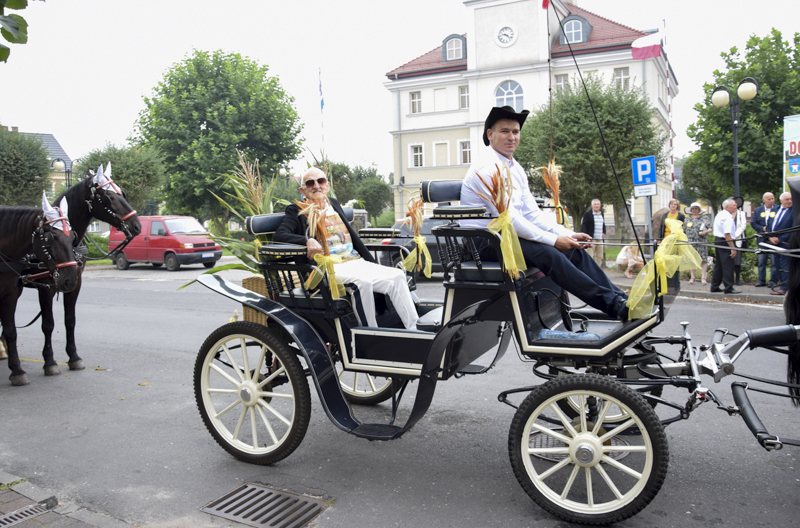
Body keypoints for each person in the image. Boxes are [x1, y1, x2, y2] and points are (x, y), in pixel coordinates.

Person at [460, 106, 629, 321]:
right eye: (505, 131)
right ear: (490, 135)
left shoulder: (514, 167)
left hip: (506, 237)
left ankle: (619, 297)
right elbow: (511, 220)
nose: (512, 137)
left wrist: (565, 234)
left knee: (573, 252)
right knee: (550, 253)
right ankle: (614, 306)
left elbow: (532, 213)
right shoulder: (487, 168)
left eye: (516, 131)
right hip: (485, 243)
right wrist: (555, 241)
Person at [275, 167, 419, 329]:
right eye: (310, 183)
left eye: (320, 181)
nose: (316, 186)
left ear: (327, 185)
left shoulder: (333, 204)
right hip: (327, 269)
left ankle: (414, 330)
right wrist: (307, 240)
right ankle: (372, 335)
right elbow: (280, 235)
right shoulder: (297, 210)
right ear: (303, 189)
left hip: (355, 261)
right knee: (362, 283)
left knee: (398, 275)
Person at [709, 198, 740, 294]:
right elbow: (727, 234)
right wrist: (733, 248)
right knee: (728, 265)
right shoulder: (727, 217)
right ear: (727, 207)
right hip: (725, 241)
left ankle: (715, 286)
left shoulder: (720, 214)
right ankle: (729, 287)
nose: (736, 207)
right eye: (733, 205)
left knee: (719, 265)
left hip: (718, 240)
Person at [767, 191, 793, 296]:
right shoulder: (775, 209)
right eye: (787, 199)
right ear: (781, 200)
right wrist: (769, 237)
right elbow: (769, 224)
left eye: (791, 199)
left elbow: (793, 228)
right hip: (773, 243)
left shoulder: (794, 211)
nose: (789, 201)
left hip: (786, 243)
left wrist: (780, 239)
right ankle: (781, 284)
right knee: (776, 264)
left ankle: (784, 287)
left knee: (784, 265)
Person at [751, 192, 778, 287]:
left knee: (774, 262)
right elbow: (753, 223)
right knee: (761, 262)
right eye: (769, 199)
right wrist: (762, 229)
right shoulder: (758, 210)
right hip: (762, 240)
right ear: (764, 200)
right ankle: (761, 280)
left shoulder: (778, 209)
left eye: (772, 198)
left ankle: (773, 281)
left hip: (774, 240)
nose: (771, 201)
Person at [682, 202, 712, 285]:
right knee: (692, 259)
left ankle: (703, 278)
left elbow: (710, 228)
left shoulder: (704, 218)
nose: (694, 210)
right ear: (691, 210)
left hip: (701, 241)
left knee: (703, 259)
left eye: (696, 209)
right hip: (691, 241)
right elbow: (683, 230)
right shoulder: (687, 219)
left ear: (699, 210)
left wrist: (705, 232)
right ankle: (692, 277)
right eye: (693, 209)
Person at [580, 199, 606, 266]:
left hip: (599, 239)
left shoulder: (601, 213)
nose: (596, 206)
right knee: (590, 256)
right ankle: (589, 270)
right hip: (591, 239)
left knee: (600, 257)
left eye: (598, 204)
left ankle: (598, 270)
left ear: (600, 205)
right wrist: (586, 237)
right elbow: (584, 225)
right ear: (592, 205)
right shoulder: (588, 214)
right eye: (595, 204)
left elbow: (603, 224)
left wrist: (604, 232)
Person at [732, 202, 747, 285]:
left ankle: (737, 279)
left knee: (737, 260)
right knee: (728, 260)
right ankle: (729, 278)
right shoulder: (726, 213)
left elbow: (743, 226)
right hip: (727, 239)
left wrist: (735, 235)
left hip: (737, 239)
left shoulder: (741, 214)